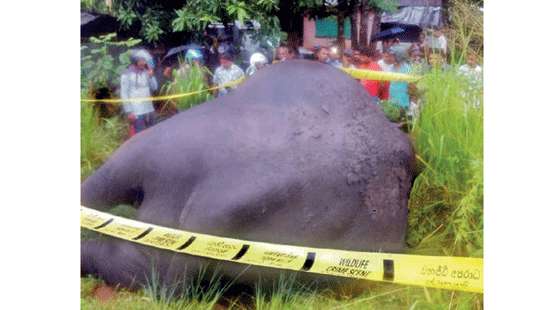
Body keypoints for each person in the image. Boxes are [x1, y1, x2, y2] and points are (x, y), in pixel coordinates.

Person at [120, 49, 159, 136]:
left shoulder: (146, 72)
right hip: (136, 111)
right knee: (140, 136)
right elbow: (124, 94)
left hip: (149, 108)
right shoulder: (126, 74)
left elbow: (155, 87)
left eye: (145, 61)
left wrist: (152, 77)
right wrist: (129, 112)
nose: (144, 63)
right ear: (135, 61)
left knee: (153, 133)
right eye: (142, 60)